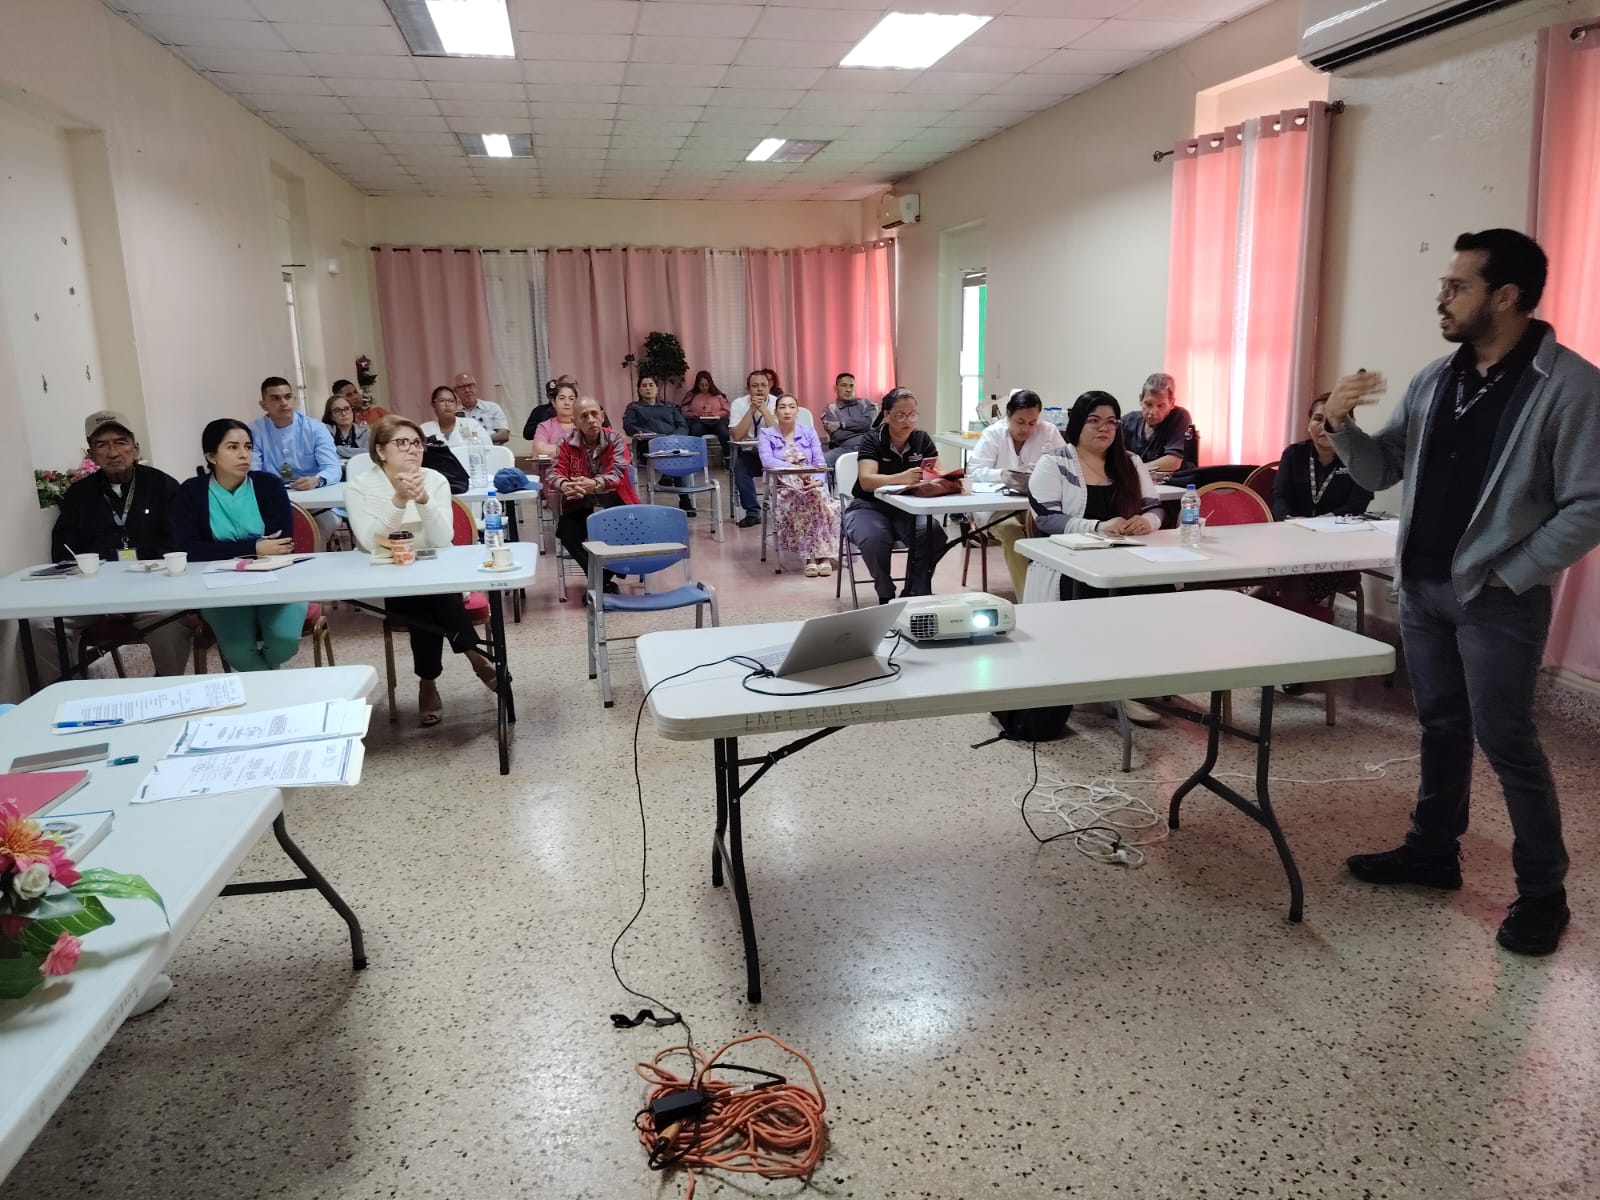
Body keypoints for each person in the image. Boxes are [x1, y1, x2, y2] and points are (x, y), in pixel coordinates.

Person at [1326, 228, 1600, 956]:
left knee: (1507, 741)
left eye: (1457, 286)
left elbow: (1590, 501)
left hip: (1497, 600)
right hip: (1422, 588)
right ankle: (1431, 851)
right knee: (1441, 726)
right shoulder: (1435, 379)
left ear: (1505, 297)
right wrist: (1338, 422)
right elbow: (1381, 470)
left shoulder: (1568, 386)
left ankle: (1543, 892)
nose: (1441, 298)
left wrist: (1514, 571)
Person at [345, 415, 499, 726]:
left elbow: (443, 539)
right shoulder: (359, 487)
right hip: (386, 577)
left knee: (431, 598)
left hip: (435, 573)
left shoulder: (434, 480)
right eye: (402, 443)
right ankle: (476, 657)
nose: (413, 450)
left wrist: (424, 500)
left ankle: (427, 682)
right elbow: (370, 542)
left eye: (417, 443)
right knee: (428, 599)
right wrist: (399, 501)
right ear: (380, 450)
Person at [1030, 390, 1165, 725]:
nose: (1104, 429)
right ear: (1078, 424)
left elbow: (1155, 507)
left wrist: (1147, 522)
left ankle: (1144, 678)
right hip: (1070, 563)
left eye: (1111, 422)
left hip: (1126, 558)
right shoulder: (1055, 463)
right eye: (1094, 421)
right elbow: (1045, 518)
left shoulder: (1130, 462)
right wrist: (1097, 526)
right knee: (1099, 598)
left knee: (1160, 591)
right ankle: (1110, 688)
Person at [31, 410, 192, 683]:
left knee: (172, 618)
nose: (113, 452)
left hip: (153, 591)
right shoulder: (78, 496)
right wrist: (99, 589)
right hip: (93, 596)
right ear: (90, 454)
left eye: (120, 442)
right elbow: (63, 552)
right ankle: (65, 693)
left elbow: (178, 543)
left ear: (135, 448)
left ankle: (168, 685)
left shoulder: (163, 486)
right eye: (102, 445)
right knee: (42, 624)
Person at [172, 418, 307, 672]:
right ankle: (274, 690)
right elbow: (189, 550)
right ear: (211, 456)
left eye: (248, 447)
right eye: (233, 447)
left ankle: (267, 689)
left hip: (276, 578)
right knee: (238, 652)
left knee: (284, 643)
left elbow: (282, 543)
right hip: (217, 584)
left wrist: (220, 550)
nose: (244, 455)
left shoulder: (268, 485)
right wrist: (254, 547)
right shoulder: (192, 491)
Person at [1263, 394, 1375, 616]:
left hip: (1337, 547)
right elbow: (1280, 496)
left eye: (1334, 420)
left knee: (1293, 577)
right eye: (1318, 419)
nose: (1324, 427)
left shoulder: (1358, 458)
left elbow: (1358, 503)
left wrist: (1321, 524)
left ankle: (1295, 627)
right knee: (1268, 570)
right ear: (1308, 424)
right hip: (1292, 539)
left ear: (1349, 427)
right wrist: (1290, 521)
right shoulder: (1294, 454)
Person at [845, 387, 944, 602]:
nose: (907, 421)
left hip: (907, 508)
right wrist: (902, 477)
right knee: (875, 538)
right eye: (900, 415)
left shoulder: (921, 439)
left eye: (912, 415)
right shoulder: (873, 439)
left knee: (933, 533)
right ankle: (885, 593)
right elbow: (866, 480)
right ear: (887, 415)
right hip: (869, 506)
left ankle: (914, 592)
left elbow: (938, 471)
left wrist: (944, 480)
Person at [966, 389, 1066, 597]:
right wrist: (1003, 475)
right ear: (1008, 416)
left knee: (1055, 532)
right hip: (995, 506)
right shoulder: (993, 434)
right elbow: (974, 472)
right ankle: (1028, 599)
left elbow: (1065, 466)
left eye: (1032, 423)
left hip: (1034, 504)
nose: (1026, 429)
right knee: (1013, 533)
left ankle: (1053, 593)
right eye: (1020, 422)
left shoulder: (1048, 431)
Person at [552, 395, 640, 593]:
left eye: (594, 414)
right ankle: (600, 579)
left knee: (626, 531)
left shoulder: (616, 439)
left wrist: (594, 483)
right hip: (581, 504)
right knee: (566, 532)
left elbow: (618, 472)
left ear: (602, 415)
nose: (591, 419)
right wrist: (566, 485)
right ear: (575, 422)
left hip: (615, 503)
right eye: (584, 416)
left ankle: (600, 581)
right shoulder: (565, 443)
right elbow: (555, 474)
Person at [251, 375, 339, 543]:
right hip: (271, 504)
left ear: (294, 400)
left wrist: (317, 480)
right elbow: (252, 472)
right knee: (265, 537)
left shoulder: (315, 428)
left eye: (288, 397)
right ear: (263, 405)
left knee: (312, 535)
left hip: (319, 505)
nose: (284, 403)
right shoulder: (254, 431)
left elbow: (332, 468)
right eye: (275, 398)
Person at [759, 394, 839, 577]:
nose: (787, 411)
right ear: (775, 412)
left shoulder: (809, 432)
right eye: (782, 407)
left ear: (797, 411)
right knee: (809, 498)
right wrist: (797, 470)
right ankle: (814, 557)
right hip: (782, 486)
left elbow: (819, 461)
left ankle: (819, 556)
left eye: (791, 407)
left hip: (811, 484)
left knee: (815, 495)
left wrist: (817, 480)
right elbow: (767, 461)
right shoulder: (766, 434)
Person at [623, 375, 695, 515]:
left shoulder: (669, 406)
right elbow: (629, 426)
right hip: (649, 446)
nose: (648, 388)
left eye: (651, 385)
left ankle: (684, 498)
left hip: (673, 444)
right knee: (674, 454)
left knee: (680, 455)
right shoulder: (634, 407)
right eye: (644, 385)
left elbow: (682, 425)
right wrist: (652, 435)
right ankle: (670, 479)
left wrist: (674, 436)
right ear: (639, 390)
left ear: (657, 388)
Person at [1120, 372, 1195, 474]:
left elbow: (1173, 462)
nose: (1153, 412)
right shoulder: (1128, 421)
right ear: (1140, 400)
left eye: (1161, 406)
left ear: (1172, 403)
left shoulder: (1180, 416)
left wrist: (1134, 471)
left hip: (1171, 482)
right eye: (1148, 404)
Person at [729, 369, 777, 527]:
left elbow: (780, 436)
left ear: (769, 386)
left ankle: (784, 509)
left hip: (774, 454)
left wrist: (764, 410)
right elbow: (737, 435)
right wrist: (751, 410)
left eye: (764, 385)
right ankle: (752, 513)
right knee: (740, 468)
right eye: (755, 386)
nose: (760, 389)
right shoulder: (738, 404)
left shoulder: (777, 403)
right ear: (748, 389)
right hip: (750, 453)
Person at [821, 372, 875, 466]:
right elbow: (838, 436)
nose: (848, 390)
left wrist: (841, 424)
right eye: (844, 385)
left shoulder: (866, 403)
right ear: (835, 388)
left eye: (851, 386)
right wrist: (862, 430)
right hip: (845, 449)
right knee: (824, 461)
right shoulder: (830, 408)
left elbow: (867, 423)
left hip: (869, 446)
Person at [421, 385, 490, 451]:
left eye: (451, 401)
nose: (447, 405)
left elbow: (489, 448)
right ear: (433, 404)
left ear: (456, 404)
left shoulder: (471, 425)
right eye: (442, 401)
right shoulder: (425, 429)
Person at [681, 370, 731, 460]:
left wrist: (715, 414)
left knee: (724, 432)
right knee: (694, 430)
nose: (704, 388)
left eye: (706, 385)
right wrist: (695, 414)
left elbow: (727, 410)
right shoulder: (691, 395)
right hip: (699, 422)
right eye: (701, 385)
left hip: (716, 422)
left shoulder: (717, 395)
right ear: (697, 384)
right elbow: (684, 412)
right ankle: (694, 458)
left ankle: (728, 458)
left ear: (710, 384)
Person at [452, 370, 510, 445]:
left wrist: (479, 441)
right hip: (464, 451)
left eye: (470, 385)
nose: (467, 390)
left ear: (476, 387)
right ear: (455, 391)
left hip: (492, 449)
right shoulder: (453, 413)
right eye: (462, 387)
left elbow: (504, 435)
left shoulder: (492, 407)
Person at [322, 384, 369, 468]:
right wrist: (356, 453)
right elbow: (326, 455)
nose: (343, 413)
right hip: (335, 472)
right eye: (337, 411)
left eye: (346, 409)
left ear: (352, 410)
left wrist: (337, 449)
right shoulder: (325, 431)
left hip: (361, 471)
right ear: (331, 416)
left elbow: (368, 454)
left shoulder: (365, 432)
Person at [531, 380, 579, 456]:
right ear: (553, 402)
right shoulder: (545, 426)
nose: (567, 403)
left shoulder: (584, 425)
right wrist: (574, 450)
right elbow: (539, 449)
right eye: (562, 398)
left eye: (571, 399)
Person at [523, 374, 576, 441]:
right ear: (547, 396)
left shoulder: (572, 408)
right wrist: (544, 426)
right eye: (550, 395)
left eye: (554, 395)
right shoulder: (540, 410)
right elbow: (527, 433)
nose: (552, 397)